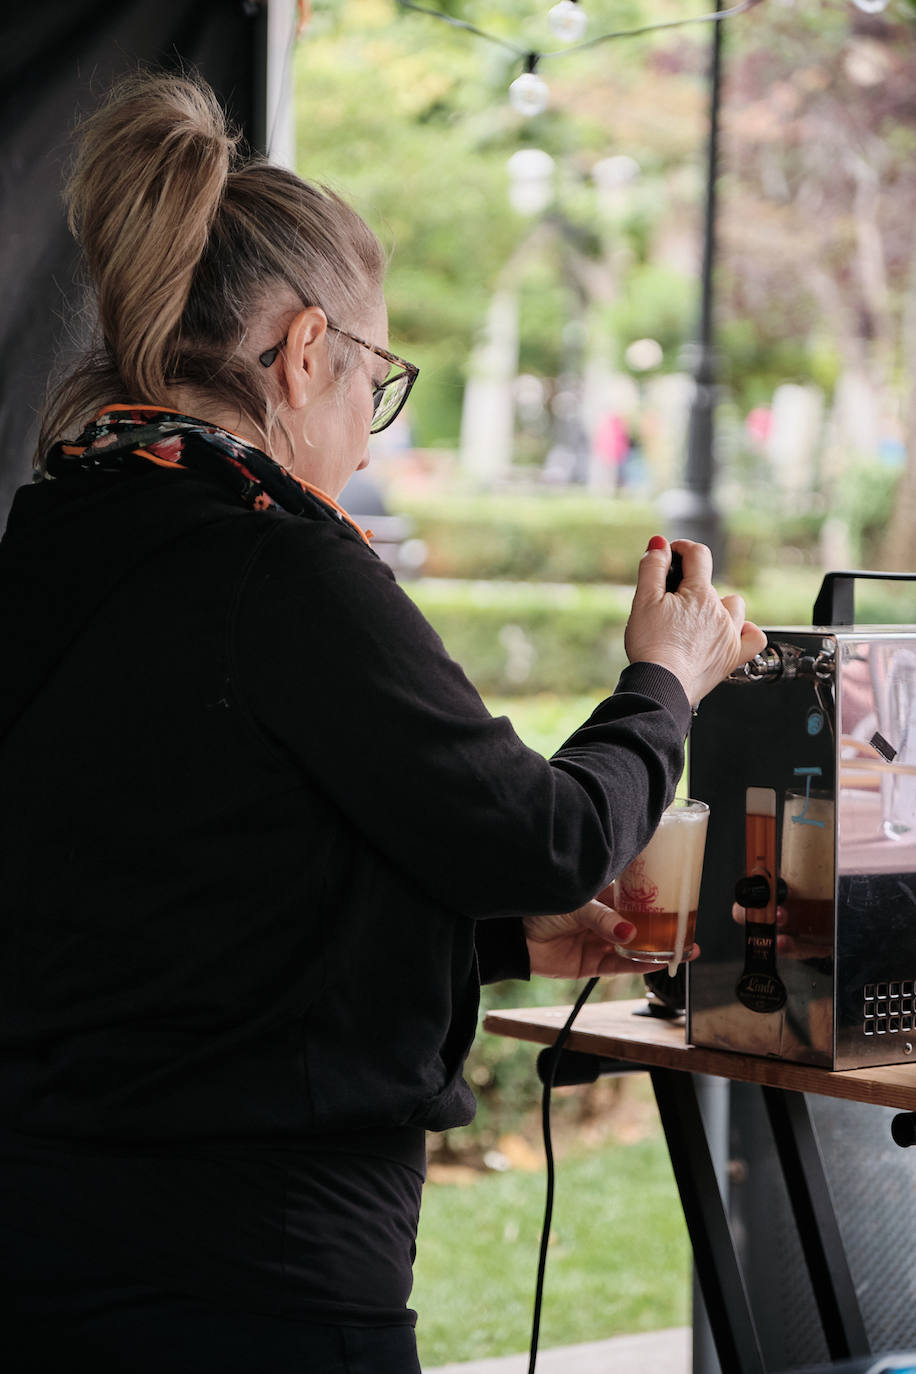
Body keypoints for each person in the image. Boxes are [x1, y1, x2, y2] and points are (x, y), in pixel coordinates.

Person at [0, 72, 766, 1373]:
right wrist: (664, 682)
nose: (364, 438)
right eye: (377, 381)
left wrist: (499, 937)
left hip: (49, 1246)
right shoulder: (276, 566)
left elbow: (198, 888)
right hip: (256, 1278)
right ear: (307, 352)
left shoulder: (58, 535)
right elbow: (553, 830)